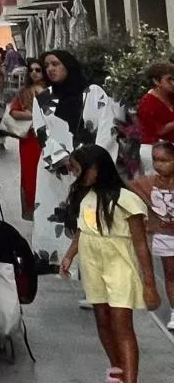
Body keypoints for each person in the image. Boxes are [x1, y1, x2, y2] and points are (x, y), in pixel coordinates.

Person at [59, 145, 160, 383]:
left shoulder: (127, 200)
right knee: (102, 319)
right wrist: (69, 255)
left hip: (119, 264)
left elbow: (141, 245)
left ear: (94, 169)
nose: (74, 174)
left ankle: (131, 378)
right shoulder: (86, 197)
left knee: (121, 323)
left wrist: (149, 284)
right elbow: (83, 230)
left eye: (77, 168)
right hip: (93, 264)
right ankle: (117, 371)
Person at [127, 140, 174, 330]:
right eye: (156, 160)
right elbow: (128, 186)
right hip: (164, 234)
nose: (159, 164)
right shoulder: (148, 183)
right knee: (170, 274)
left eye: (165, 160)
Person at [9, 60, 48, 220]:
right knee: (30, 175)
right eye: (31, 70)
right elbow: (13, 112)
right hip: (29, 139)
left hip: (47, 138)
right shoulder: (24, 91)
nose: (34, 73)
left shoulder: (51, 91)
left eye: (38, 70)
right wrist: (35, 115)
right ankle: (32, 210)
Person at [137, 62, 174, 170]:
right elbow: (158, 130)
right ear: (156, 81)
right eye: (169, 79)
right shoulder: (147, 103)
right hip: (154, 151)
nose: (173, 83)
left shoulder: (170, 96)